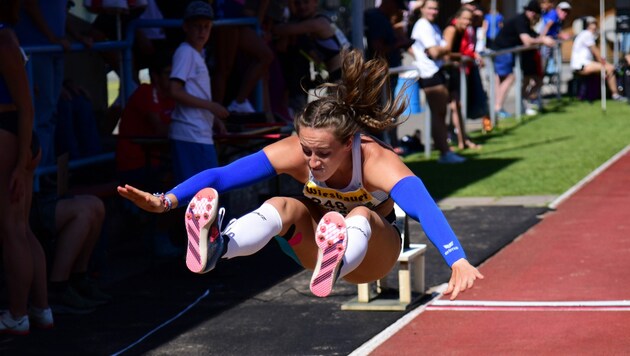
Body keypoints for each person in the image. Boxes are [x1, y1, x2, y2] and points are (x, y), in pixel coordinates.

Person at [118, 49, 484, 301]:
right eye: (307, 150)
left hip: (374, 253)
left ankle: (340, 250)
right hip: (312, 250)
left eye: (323, 153)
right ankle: (218, 248)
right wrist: (166, 200)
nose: (312, 161)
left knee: (359, 213)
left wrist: (458, 259)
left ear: (349, 144)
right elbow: (222, 175)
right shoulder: (296, 150)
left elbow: (422, 204)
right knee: (282, 204)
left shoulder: (375, 160)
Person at [0, 0, 53, 334]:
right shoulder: (8, 38)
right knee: (21, 228)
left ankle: (18, 315)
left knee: (12, 230)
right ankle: (40, 309)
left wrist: (20, 165)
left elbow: (26, 105)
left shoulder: (4, 40)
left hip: (10, 135)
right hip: (16, 136)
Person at [168, 1, 229, 184]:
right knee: (201, 196)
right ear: (186, 27)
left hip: (198, 132)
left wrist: (213, 118)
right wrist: (211, 106)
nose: (202, 32)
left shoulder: (196, 54)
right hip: (190, 133)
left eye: (206, 27)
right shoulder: (185, 52)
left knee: (206, 193)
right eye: (197, 27)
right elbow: (174, 90)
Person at [30, 192, 110, 314]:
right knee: (82, 212)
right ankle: (58, 288)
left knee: (97, 205)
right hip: (21, 209)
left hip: (36, 198)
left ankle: (78, 278)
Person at [13, 0, 70, 168]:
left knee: (49, 114)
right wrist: (53, 38)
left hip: (53, 50)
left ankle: (44, 172)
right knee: (41, 115)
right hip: (36, 49)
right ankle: (37, 175)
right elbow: (29, 5)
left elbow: (64, 12)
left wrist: (70, 37)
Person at [409, 0, 466, 163]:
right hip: (429, 73)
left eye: (436, 9)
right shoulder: (423, 26)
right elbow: (436, 51)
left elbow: (442, 50)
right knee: (438, 113)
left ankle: (445, 150)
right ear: (422, 9)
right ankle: (444, 152)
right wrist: (443, 49)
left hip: (436, 71)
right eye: (430, 8)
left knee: (441, 112)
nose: (434, 11)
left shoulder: (432, 26)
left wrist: (442, 50)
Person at [273, 0, 350, 113]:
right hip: (342, 72)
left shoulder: (317, 23)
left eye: (306, 2)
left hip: (343, 74)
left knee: (344, 117)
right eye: (298, 3)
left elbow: (282, 30)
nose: (302, 6)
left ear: (315, 3)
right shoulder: (320, 20)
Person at [116, 54, 174, 188]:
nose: (172, 79)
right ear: (155, 76)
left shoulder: (172, 96)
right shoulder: (146, 91)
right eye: (167, 74)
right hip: (135, 165)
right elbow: (160, 129)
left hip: (157, 161)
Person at [490, 0, 555, 117]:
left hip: (504, 51)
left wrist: (545, 37)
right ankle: (497, 107)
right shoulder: (520, 20)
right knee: (508, 78)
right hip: (502, 51)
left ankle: (497, 107)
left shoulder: (524, 21)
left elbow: (533, 35)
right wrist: (543, 40)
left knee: (502, 80)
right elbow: (527, 41)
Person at [364, 0, 414, 152]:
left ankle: (389, 145)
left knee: (387, 111)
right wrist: (398, 44)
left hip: (385, 74)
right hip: (380, 75)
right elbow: (377, 48)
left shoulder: (382, 18)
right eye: (397, 7)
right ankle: (385, 146)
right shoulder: (377, 17)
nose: (397, 12)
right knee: (382, 112)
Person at [211, 0, 274, 113]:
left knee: (265, 55)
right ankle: (216, 116)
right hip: (226, 12)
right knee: (224, 68)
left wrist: (258, 21)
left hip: (239, 14)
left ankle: (238, 102)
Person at [443, 7, 480, 150]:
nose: (467, 22)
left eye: (469, 19)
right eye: (464, 18)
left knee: (456, 106)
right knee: (449, 107)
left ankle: (462, 140)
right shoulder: (451, 30)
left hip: (453, 71)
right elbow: (446, 54)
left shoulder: (462, 31)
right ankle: (455, 142)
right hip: (445, 73)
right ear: (457, 18)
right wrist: (464, 57)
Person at [570, 16, 627, 102]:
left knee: (604, 70)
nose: (595, 27)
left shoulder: (584, 34)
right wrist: (606, 64)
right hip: (581, 64)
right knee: (610, 68)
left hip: (582, 63)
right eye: (592, 24)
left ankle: (593, 94)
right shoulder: (587, 34)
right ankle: (615, 94)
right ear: (588, 26)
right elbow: (596, 53)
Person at [539, 1, 571, 77]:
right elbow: (547, 26)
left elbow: (554, 31)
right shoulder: (554, 14)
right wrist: (541, 38)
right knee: (543, 67)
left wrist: (560, 35)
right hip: (544, 44)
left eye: (567, 11)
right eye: (563, 10)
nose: (565, 13)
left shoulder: (558, 19)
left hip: (549, 44)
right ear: (558, 9)